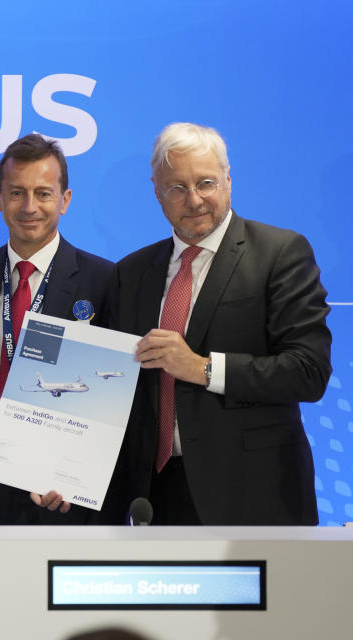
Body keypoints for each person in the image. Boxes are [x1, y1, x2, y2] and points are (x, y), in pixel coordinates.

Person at [105, 122, 331, 525]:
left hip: (253, 494)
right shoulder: (132, 272)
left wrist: (203, 369)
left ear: (228, 180)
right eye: (177, 187)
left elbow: (308, 372)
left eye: (206, 182)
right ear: (157, 192)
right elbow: (110, 382)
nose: (194, 200)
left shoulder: (279, 254)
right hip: (154, 497)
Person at [0, 134, 114, 525]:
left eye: (43, 194)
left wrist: (77, 478)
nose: (29, 207)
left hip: (60, 492)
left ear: (65, 200)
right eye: (17, 193)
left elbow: (108, 406)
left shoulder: (104, 281)